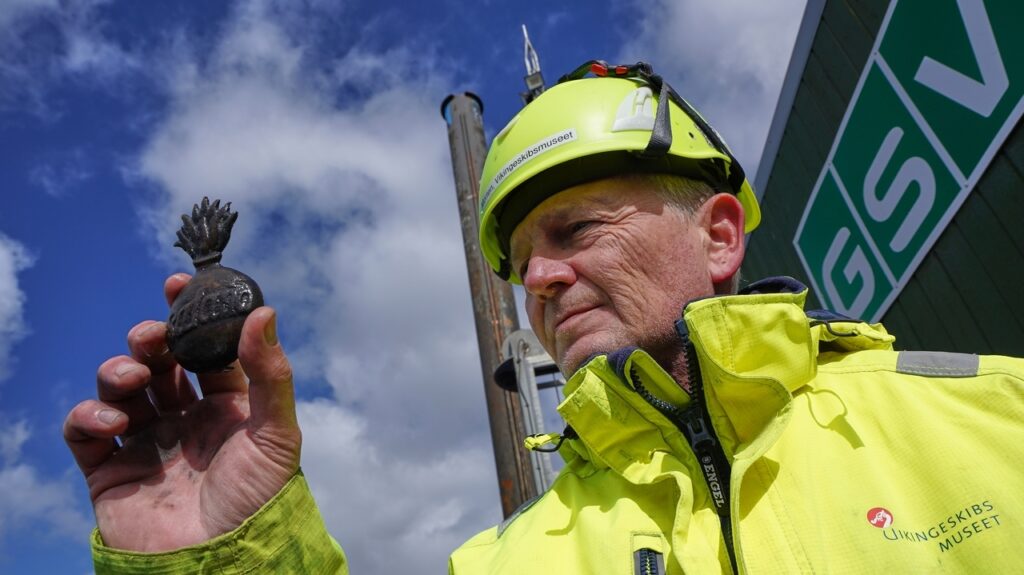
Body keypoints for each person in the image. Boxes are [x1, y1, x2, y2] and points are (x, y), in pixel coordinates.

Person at [64, 60, 1024, 573]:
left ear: (722, 235)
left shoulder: (996, 419)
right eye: (522, 262)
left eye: (576, 228)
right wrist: (226, 565)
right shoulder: (510, 560)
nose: (544, 280)